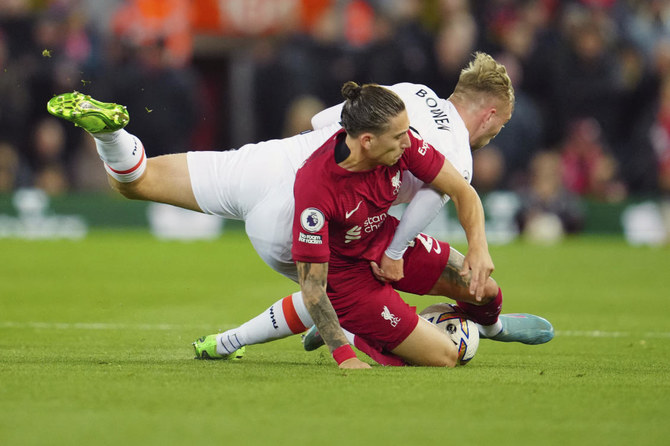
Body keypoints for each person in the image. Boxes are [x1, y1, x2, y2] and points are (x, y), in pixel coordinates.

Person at [47, 52, 553, 368]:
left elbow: (320, 120)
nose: (495, 135)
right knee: (356, 289)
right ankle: (361, 329)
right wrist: (390, 254)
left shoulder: (405, 99)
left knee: (140, 181)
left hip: (268, 162)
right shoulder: (451, 154)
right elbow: (431, 199)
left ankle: (111, 135)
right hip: (303, 216)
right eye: (500, 126)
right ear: (490, 115)